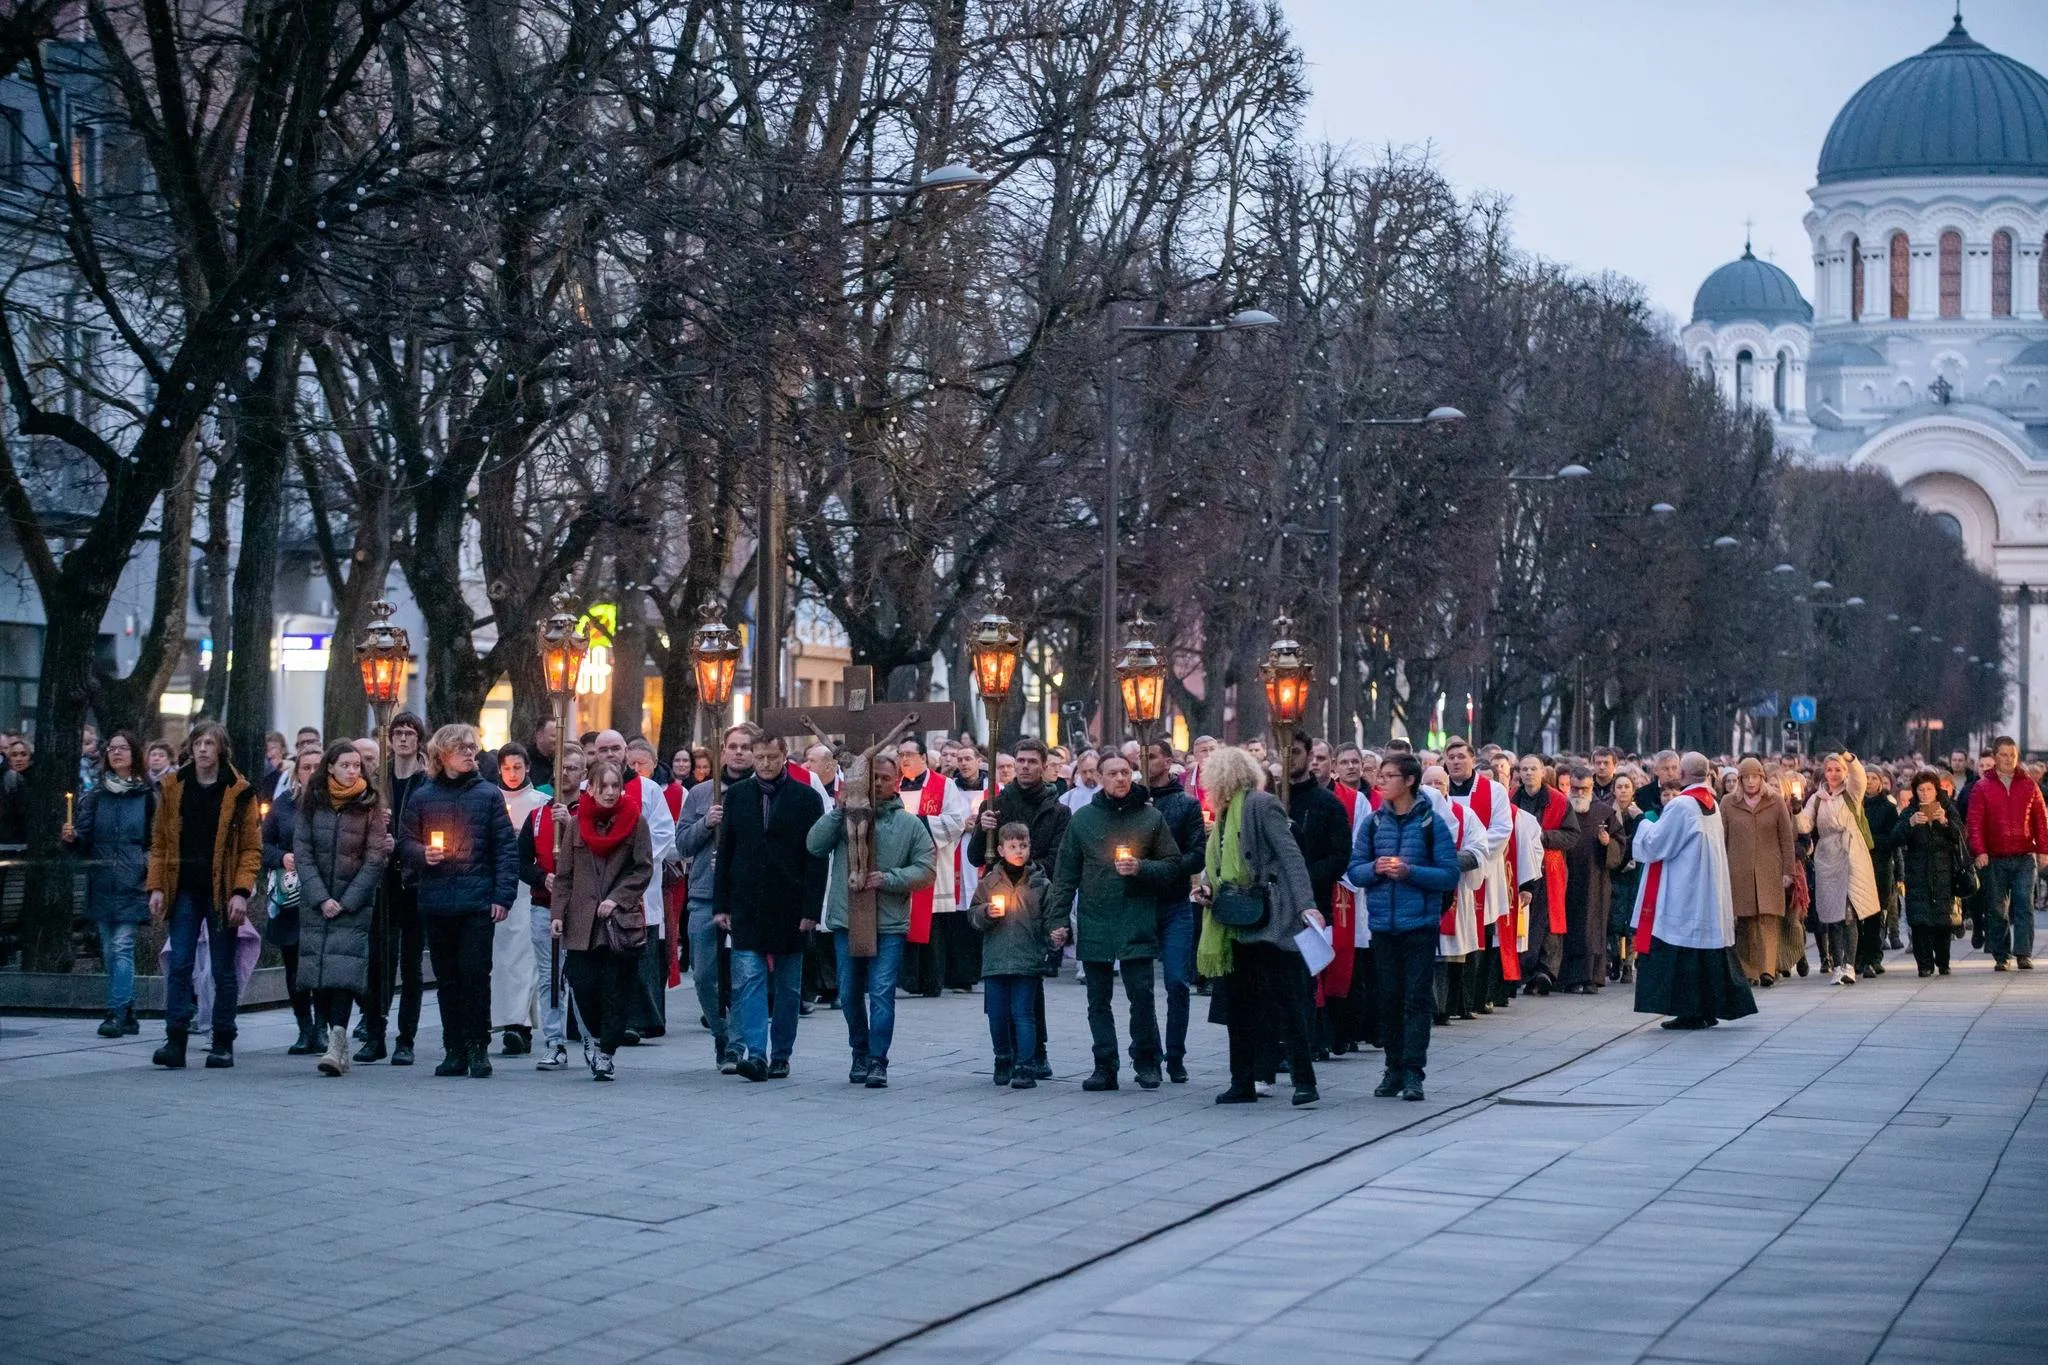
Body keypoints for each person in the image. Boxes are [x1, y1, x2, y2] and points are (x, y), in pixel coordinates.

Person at [1197, 746, 1324, 1107]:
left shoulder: (1261, 805)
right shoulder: (1223, 815)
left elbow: (1291, 857)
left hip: (1270, 918)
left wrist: (1307, 905)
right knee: (1239, 1006)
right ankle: (1242, 1081)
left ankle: (1304, 1080)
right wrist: (1207, 888)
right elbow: (1218, 866)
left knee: (1287, 1001)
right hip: (1234, 919)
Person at [1046, 751, 1179, 1092]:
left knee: (1142, 994)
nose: (1120, 778)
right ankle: (1104, 1065)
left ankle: (1147, 1061)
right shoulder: (1083, 820)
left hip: (1136, 916)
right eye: (1113, 773)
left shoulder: (1150, 817)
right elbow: (1065, 875)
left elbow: (1172, 864)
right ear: (1100, 778)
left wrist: (1141, 867)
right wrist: (1058, 919)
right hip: (1096, 917)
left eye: (1125, 772)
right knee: (1097, 999)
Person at [806, 752, 937, 1088]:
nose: (877, 783)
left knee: (881, 992)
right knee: (849, 993)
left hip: (888, 922)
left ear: (897, 782)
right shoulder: (844, 816)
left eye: (885, 778)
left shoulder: (910, 824)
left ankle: (878, 1060)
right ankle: (859, 1051)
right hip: (847, 919)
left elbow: (926, 870)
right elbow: (814, 845)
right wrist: (838, 812)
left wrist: (890, 879)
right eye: (872, 777)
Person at [400, 723, 519, 1079]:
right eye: (461, 747)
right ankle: (453, 1048)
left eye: (472, 747)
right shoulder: (422, 796)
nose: (470, 753)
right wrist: (422, 854)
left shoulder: (488, 795)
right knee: (447, 979)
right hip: (437, 902)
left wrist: (503, 896)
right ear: (442, 754)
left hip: (477, 902)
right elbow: (405, 842)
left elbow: (505, 849)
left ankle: (478, 1046)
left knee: (475, 975)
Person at [146, 722, 264, 1069]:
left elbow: (251, 848)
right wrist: (156, 886)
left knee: (222, 969)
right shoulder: (174, 787)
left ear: (221, 749)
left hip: (221, 889)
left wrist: (241, 892)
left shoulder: (239, 791)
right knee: (180, 963)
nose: (202, 749)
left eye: (209, 743)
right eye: (198, 743)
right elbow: (160, 841)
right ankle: (175, 1039)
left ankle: (223, 1040)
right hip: (184, 886)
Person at [1349, 751, 1462, 1102]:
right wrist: (1376, 869)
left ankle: (1413, 1072)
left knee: (1415, 999)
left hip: (1419, 925)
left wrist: (1409, 872)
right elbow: (1355, 870)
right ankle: (1392, 1068)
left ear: (1409, 781)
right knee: (1388, 998)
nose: (1381, 782)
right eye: (1380, 776)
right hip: (1383, 925)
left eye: (1389, 776)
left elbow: (1449, 874)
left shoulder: (1431, 824)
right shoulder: (1374, 823)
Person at [716, 733, 827, 1081]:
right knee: (749, 981)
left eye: (771, 757)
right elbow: (726, 850)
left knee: (788, 987)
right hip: (747, 902)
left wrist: (811, 909)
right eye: (760, 757)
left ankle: (781, 1054)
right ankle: (755, 1053)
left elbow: (816, 857)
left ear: (784, 757)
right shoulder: (738, 795)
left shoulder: (806, 798)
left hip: (790, 904)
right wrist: (722, 904)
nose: (765, 763)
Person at [964, 737, 1070, 1080]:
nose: (1025, 767)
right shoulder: (995, 805)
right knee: (1001, 992)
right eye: (1020, 761)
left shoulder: (1058, 810)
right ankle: (1007, 1054)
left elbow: (1058, 858)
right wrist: (983, 830)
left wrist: (1027, 870)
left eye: (1032, 762)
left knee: (1029, 984)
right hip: (1000, 892)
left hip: (1035, 894)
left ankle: (1035, 1053)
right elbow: (977, 857)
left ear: (1044, 766)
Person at [1631, 753, 1758, 1030]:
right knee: (1704, 953)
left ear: (1683, 775)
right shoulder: (1711, 802)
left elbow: (1657, 844)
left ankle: (1690, 1012)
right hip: (1705, 891)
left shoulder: (1682, 805)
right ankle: (1706, 1009)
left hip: (1684, 891)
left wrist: (1640, 820)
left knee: (1683, 952)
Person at [549, 755, 654, 1080]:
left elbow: (642, 869)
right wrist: (558, 913)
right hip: (582, 923)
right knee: (583, 985)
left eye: (615, 786)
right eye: (603, 786)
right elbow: (564, 875)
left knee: (614, 989)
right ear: (590, 789)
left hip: (618, 924)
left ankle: (606, 1051)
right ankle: (593, 1037)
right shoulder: (577, 824)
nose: (609, 792)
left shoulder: (635, 822)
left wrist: (617, 898)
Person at [292, 743, 389, 1077]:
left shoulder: (369, 804)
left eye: (357, 766)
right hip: (317, 902)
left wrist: (347, 900)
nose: (352, 771)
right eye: (345, 765)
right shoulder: (312, 802)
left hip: (352, 904)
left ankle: (336, 1041)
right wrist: (321, 897)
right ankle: (333, 1039)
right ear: (330, 767)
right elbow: (302, 851)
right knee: (320, 972)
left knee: (344, 973)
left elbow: (375, 857)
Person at [675, 723, 756, 1071]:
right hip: (705, 893)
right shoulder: (700, 793)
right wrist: (706, 823)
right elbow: (682, 843)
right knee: (704, 973)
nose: (739, 752)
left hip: (744, 896)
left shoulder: (759, 791)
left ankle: (736, 1044)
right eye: (733, 746)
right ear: (723, 750)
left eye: (745, 747)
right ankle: (720, 1030)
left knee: (742, 974)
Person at [64, 729, 153, 1037]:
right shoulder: (96, 795)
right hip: (102, 880)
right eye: (112, 748)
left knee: (122, 945)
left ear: (134, 754)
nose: (116, 753)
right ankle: (127, 1010)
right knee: (108, 948)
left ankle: (115, 1013)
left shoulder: (147, 796)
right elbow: (84, 839)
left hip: (133, 881)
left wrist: (146, 867)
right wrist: (73, 838)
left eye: (123, 748)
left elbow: (156, 840)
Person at [590, 731, 677, 1041]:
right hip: (599, 886)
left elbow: (664, 832)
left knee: (638, 954)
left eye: (615, 748)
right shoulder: (590, 788)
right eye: (603, 749)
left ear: (626, 751)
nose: (610, 754)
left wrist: (632, 860)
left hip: (638, 884)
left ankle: (640, 1020)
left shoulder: (648, 788)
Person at [967, 822, 1060, 1088]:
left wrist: (1055, 935)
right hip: (996, 960)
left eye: (1023, 846)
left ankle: (1025, 1065)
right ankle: (1003, 1057)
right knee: (997, 1015)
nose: (1019, 851)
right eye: (1013, 846)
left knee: (1024, 1014)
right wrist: (986, 912)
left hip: (1026, 960)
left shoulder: (1040, 883)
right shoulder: (989, 882)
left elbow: (1049, 918)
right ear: (1001, 850)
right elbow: (972, 915)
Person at [361, 712, 428, 1065]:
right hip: (383, 881)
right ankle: (375, 1032)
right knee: (379, 960)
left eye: (409, 733)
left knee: (411, 963)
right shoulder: (377, 783)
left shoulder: (426, 783)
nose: (403, 738)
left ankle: (406, 1038)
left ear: (418, 740)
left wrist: (401, 845)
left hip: (414, 881)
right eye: (398, 733)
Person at [1141, 738, 1207, 1084]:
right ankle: (1150, 1053)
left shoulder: (1186, 805)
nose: (1145, 762)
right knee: (1141, 986)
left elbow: (1197, 854)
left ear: (1167, 762)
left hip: (1174, 903)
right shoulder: (1133, 801)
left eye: (1152, 756)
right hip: (1140, 903)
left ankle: (1176, 1054)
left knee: (1177, 981)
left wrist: (1165, 868)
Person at [519, 743, 582, 1070]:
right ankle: (554, 1041)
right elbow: (520, 860)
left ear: (583, 773)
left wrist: (571, 826)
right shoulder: (537, 816)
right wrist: (541, 877)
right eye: (562, 767)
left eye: (573, 768)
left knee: (580, 975)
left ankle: (589, 1038)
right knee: (549, 976)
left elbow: (598, 854)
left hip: (581, 908)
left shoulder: (591, 812)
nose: (566, 773)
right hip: (544, 905)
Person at [1963, 735, 2048, 972]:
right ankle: (2001, 955)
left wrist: (2043, 850)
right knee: (1997, 907)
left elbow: (2040, 820)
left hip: (2024, 856)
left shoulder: (2029, 785)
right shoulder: (1982, 787)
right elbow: (1975, 823)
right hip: (1995, 857)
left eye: (2013, 755)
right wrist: (1979, 851)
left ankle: (2023, 953)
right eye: (2003, 755)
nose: (2009, 759)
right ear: (1995, 756)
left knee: (2024, 904)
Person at [261, 746, 325, 1055]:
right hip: (291, 895)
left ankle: (322, 1027)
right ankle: (304, 1027)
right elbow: (263, 844)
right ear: (297, 772)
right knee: (294, 965)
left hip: (323, 894)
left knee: (321, 965)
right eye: (306, 767)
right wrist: (281, 857)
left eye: (317, 766)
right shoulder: (284, 804)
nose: (312, 772)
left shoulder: (334, 804)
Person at [896, 736, 972, 997]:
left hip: (934, 867)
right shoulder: (892, 785)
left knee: (934, 925)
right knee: (901, 920)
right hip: (899, 866)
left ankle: (931, 980)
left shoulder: (944, 785)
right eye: (901, 754)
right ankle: (907, 980)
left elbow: (956, 821)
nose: (904, 759)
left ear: (924, 758)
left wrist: (916, 824)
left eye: (909, 754)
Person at [1799, 752, 1880, 986]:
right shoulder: (1817, 798)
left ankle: (1849, 966)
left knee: (1850, 913)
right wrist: (1795, 810)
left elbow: (1860, 777)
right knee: (1833, 915)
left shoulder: (1851, 792)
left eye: (1838, 769)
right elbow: (1805, 824)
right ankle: (1837, 965)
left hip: (1852, 853)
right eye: (1829, 770)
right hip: (1828, 856)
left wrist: (1851, 759)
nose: (1833, 774)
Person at [492, 743, 549, 1054]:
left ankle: (520, 1025)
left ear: (527, 767)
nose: (512, 774)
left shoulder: (540, 803)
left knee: (526, 959)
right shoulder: (491, 799)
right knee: (503, 961)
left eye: (517, 767)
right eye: (506, 768)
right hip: (499, 888)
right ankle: (508, 1022)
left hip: (529, 889)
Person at [1722, 757, 1797, 987]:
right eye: (1746, 777)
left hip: (1770, 869)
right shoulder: (1728, 803)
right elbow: (1722, 839)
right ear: (1740, 780)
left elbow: (1786, 839)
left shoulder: (1775, 802)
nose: (1751, 781)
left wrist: (1788, 871)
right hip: (1739, 870)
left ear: (1762, 778)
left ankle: (1767, 969)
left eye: (1755, 777)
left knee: (1768, 919)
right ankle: (1748, 970)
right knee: (1745, 922)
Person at [1887, 770, 1967, 978]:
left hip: (1943, 872)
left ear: (1936, 790)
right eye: (1921, 790)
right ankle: (1924, 964)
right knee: (1920, 921)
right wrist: (1910, 824)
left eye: (1929, 789)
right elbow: (1894, 838)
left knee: (1942, 921)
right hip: (1918, 873)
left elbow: (1961, 834)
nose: (1925, 793)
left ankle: (1943, 961)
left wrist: (1945, 822)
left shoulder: (1947, 808)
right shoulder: (1910, 811)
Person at [1511, 753, 1580, 994]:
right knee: (1522, 919)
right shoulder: (1511, 798)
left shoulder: (1558, 801)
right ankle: (1522, 970)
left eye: (1533, 769)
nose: (1529, 773)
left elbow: (1572, 835)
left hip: (1549, 868)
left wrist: (1542, 837)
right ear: (1519, 773)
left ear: (1542, 772)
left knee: (1549, 920)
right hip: (1519, 868)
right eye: (1524, 769)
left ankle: (1545, 971)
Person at [1558, 764, 1624, 993]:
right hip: (1566, 877)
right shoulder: (1562, 808)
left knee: (1591, 929)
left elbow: (1621, 844)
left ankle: (1591, 978)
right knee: (1567, 927)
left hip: (1594, 879)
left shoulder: (1604, 812)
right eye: (1574, 789)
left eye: (1583, 789)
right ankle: (1568, 978)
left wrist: (1608, 843)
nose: (1578, 793)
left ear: (1591, 787)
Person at [1860, 766, 1902, 977]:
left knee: (1876, 914)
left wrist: (1871, 841)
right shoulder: (1856, 804)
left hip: (1880, 865)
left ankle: (1874, 956)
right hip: (1859, 864)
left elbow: (1894, 838)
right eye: (1866, 777)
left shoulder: (1888, 807)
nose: (1869, 782)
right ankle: (1859, 956)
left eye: (1874, 778)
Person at [1607, 772, 1646, 985]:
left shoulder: (1638, 814)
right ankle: (1615, 958)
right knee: (1613, 919)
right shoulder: (1609, 813)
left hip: (1634, 873)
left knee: (1633, 920)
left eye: (1627, 787)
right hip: (1614, 872)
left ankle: (1629, 964)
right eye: (1619, 787)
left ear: (1633, 790)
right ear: (1613, 790)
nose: (1623, 791)